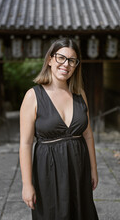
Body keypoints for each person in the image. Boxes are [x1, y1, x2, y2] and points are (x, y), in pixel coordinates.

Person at [20, 38, 99, 220]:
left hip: (79, 166)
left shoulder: (80, 94)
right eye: (61, 58)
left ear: (76, 65)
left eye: (72, 60)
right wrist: (26, 184)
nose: (66, 64)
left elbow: (88, 135)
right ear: (49, 59)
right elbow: (25, 143)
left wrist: (94, 169)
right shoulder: (33, 96)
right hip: (48, 169)